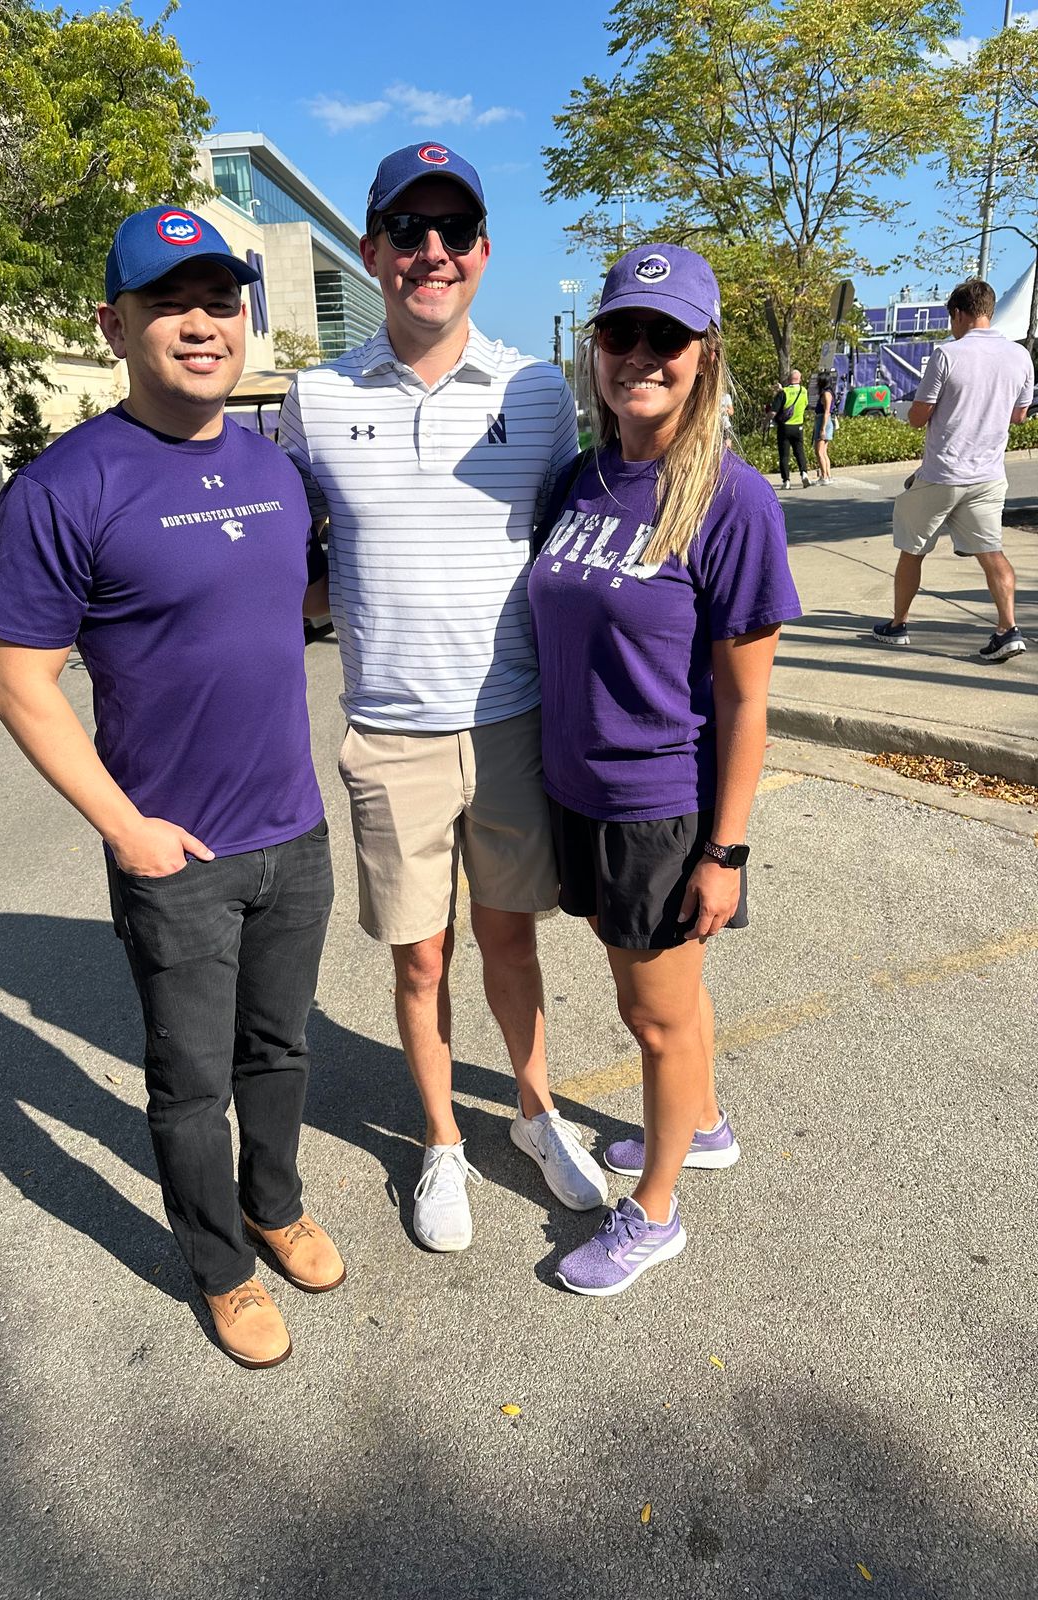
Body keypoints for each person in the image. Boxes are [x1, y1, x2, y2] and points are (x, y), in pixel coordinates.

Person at [0, 206, 342, 1370]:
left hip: (294, 829)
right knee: (190, 1081)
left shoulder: (275, 469)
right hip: (173, 853)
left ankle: (272, 1205)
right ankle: (219, 1266)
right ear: (115, 323)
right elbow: (21, 681)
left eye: (221, 300)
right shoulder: (64, 485)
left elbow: (290, 618)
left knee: (279, 1051)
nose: (203, 323)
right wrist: (125, 828)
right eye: (170, 303)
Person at [277, 143, 609, 1253]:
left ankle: (532, 1112)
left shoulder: (535, 392)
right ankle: (440, 1141)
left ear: (481, 251)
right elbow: (296, 570)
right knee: (419, 955)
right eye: (408, 231)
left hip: (513, 724)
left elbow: (580, 552)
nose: (432, 252)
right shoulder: (315, 403)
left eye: (453, 231)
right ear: (370, 250)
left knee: (511, 940)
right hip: (390, 733)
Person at [527, 243, 801, 1297]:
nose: (640, 354)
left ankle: (655, 1214)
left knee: (655, 1014)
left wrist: (725, 850)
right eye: (621, 332)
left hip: (658, 805)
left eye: (666, 337)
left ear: (705, 355)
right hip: (576, 791)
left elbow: (744, 697)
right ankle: (705, 1123)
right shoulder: (581, 479)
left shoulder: (733, 501)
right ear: (595, 345)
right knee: (668, 1002)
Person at [872, 277, 1032, 663]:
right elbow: (1020, 416)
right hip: (989, 475)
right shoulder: (1020, 356)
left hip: (943, 472)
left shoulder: (948, 354)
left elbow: (918, 416)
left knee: (912, 550)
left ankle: (898, 625)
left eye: (952, 319)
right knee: (992, 552)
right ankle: (1008, 629)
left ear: (959, 314)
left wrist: (912, 411)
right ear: (989, 312)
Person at [772, 369, 813, 489]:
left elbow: (774, 410)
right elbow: (804, 404)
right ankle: (804, 473)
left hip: (785, 427)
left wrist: (766, 421)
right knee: (799, 451)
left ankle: (786, 481)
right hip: (798, 426)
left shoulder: (784, 392)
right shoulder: (804, 391)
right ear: (799, 379)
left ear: (789, 379)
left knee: (784, 455)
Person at [812, 374, 835, 484]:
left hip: (823, 420)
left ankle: (824, 476)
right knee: (824, 452)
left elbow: (826, 412)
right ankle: (828, 475)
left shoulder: (826, 394)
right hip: (823, 420)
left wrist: (822, 429)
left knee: (819, 451)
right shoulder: (827, 392)